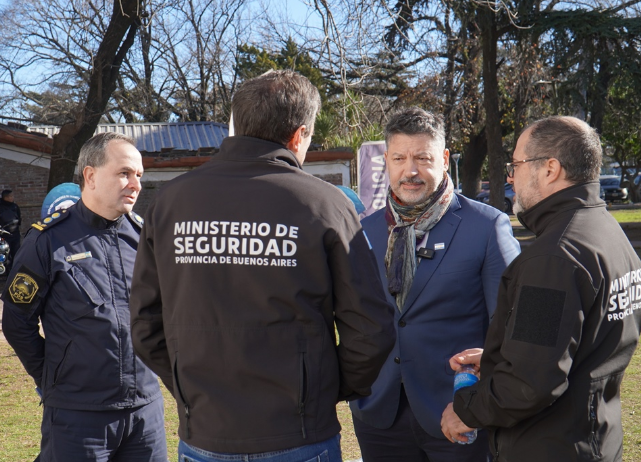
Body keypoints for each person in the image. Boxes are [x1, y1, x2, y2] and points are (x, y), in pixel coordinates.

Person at [130, 69, 396, 461]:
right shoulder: (323, 204)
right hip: (297, 434)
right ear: (298, 135)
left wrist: (190, 388)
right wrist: (322, 390)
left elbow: (143, 324)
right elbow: (371, 327)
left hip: (207, 430)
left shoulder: (170, 202)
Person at [441, 116, 641, 461]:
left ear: (550, 169)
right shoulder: (605, 230)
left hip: (552, 446)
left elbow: (529, 382)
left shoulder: (555, 257)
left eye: (516, 164)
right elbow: (573, 341)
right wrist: (501, 354)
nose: (510, 177)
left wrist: (466, 410)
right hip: (595, 438)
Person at [348, 107, 520, 461]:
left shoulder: (487, 227)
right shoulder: (365, 232)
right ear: (387, 162)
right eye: (399, 158)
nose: (410, 170)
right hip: (379, 412)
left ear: (443, 159)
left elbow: (511, 326)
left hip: (457, 411)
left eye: (422, 158)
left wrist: (478, 402)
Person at [1, 132, 166, 462]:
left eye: (139, 176)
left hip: (145, 412)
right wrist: (53, 376)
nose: (135, 184)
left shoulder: (144, 236)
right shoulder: (47, 241)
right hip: (79, 416)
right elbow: (17, 323)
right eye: (124, 173)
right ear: (90, 175)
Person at [0, 189, 22, 257]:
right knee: (4, 254)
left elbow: (19, 219)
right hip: (3, 235)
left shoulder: (15, 207)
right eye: (11, 196)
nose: (12, 197)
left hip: (15, 234)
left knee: (16, 253)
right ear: (6, 197)